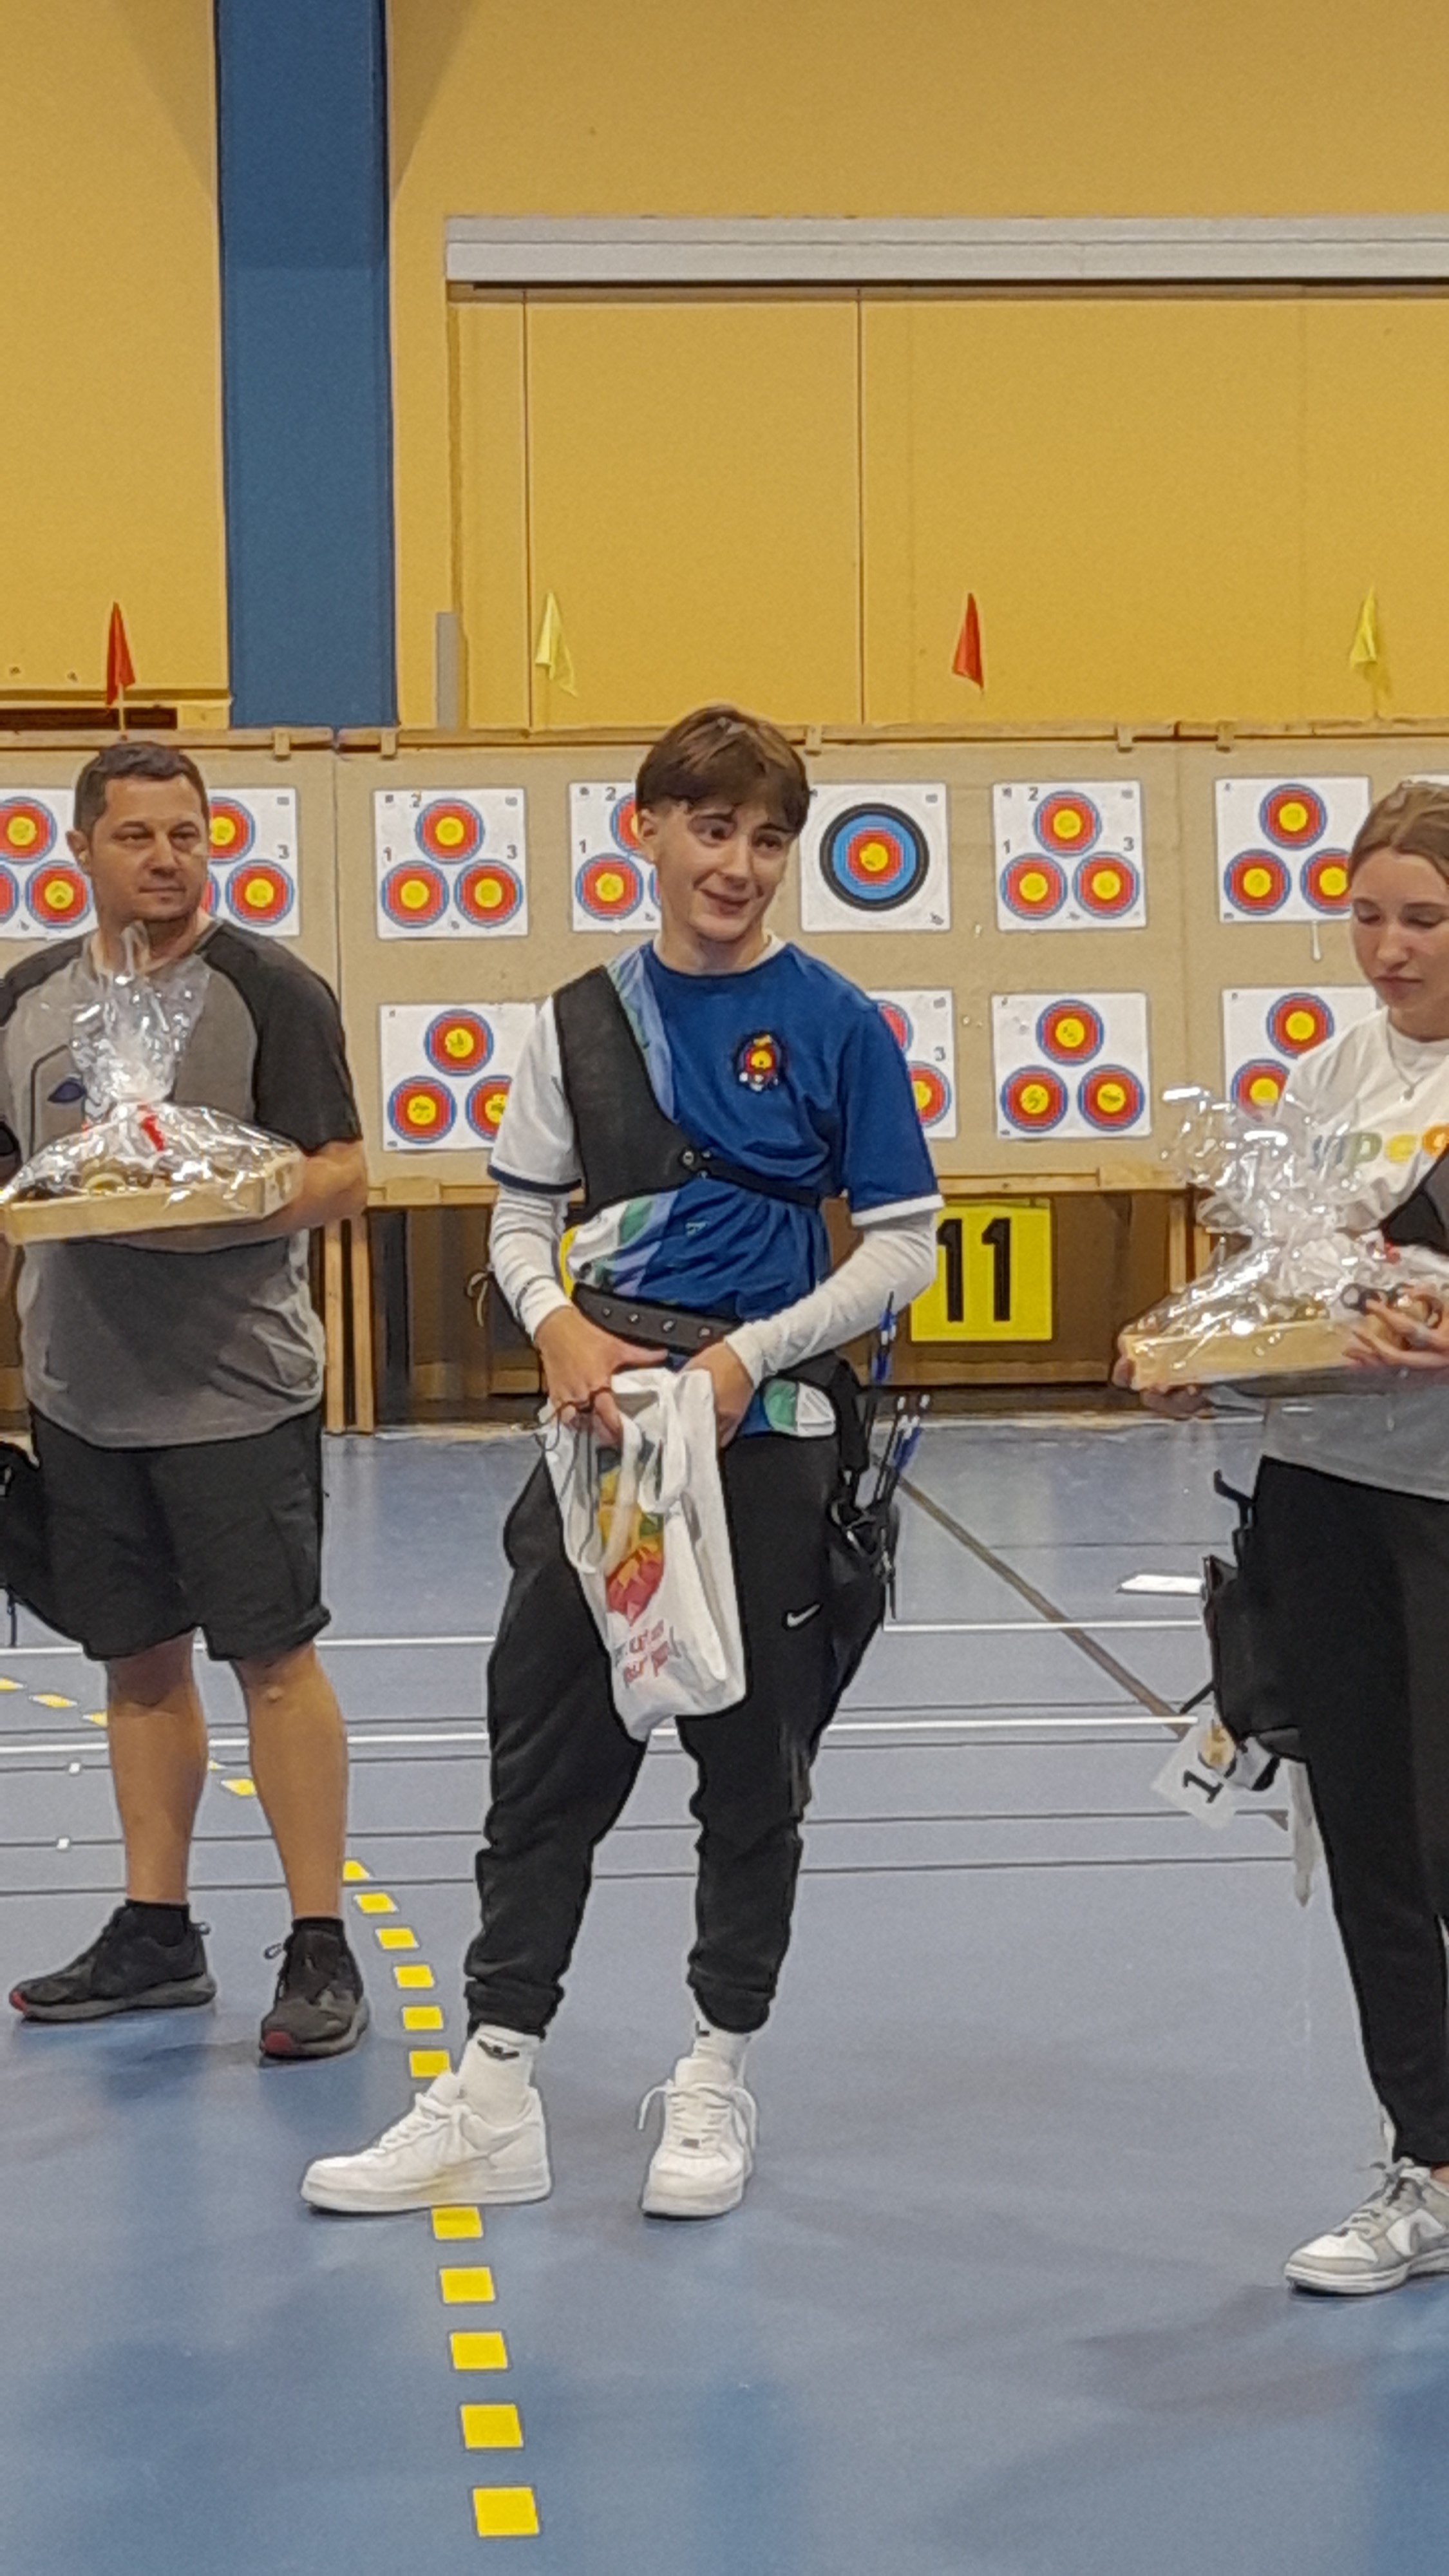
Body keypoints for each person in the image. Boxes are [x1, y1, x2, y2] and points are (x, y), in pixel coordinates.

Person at [303, 704, 941, 2220]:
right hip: (600, 1446)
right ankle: (495, 2086)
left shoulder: (839, 1022)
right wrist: (557, 1329)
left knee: (751, 1768)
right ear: (645, 828)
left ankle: (715, 2070)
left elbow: (902, 1244)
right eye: (711, 828)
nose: (739, 864)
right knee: (545, 1759)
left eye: (769, 838)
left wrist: (745, 1358)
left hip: (766, 1441)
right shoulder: (578, 1019)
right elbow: (523, 1215)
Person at [1128, 778, 1449, 2293]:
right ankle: (1425, 2161)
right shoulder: (1329, 1076)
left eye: (1424, 918)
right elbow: (1288, 1287)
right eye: (1368, 915)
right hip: (1321, 1492)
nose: (1389, 949)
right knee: (1373, 1840)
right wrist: (1200, 1354)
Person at [5, 739, 371, 2059]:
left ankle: (320, 1941)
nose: (166, 858)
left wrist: (224, 1198)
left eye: (187, 835)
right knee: (138, 1663)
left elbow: (344, 1170)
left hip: (236, 1396)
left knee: (275, 1661)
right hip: (82, 1396)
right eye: (136, 835)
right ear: (81, 850)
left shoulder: (270, 989)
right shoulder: (25, 1004)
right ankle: (156, 1928)